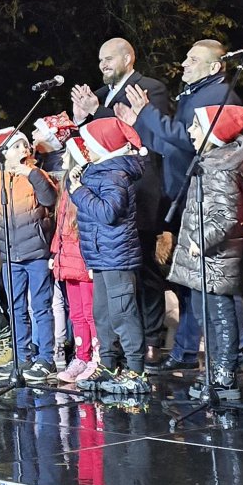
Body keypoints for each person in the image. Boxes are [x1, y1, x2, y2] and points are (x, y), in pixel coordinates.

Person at [118, 38, 243, 368]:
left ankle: (230, 356)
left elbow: (190, 141)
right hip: (180, 194)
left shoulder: (218, 96)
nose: (184, 64)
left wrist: (147, 113)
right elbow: (171, 143)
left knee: (214, 281)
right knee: (188, 280)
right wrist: (140, 123)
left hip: (202, 194)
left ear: (215, 67)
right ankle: (187, 351)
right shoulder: (195, 94)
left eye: (192, 59)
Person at [167, 104, 243, 391]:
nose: (191, 131)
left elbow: (226, 216)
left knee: (219, 316)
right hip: (206, 259)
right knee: (207, 314)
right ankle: (217, 368)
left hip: (214, 258)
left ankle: (224, 373)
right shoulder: (211, 162)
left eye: (197, 126)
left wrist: (199, 241)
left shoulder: (221, 168)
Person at [70, 117, 152, 392]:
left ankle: (136, 371)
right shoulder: (99, 171)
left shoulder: (115, 174)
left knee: (122, 312)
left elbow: (108, 212)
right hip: (102, 254)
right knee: (102, 312)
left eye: (90, 144)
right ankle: (107, 365)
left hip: (117, 254)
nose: (86, 149)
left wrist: (79, 192)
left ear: (104, 147)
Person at [0, 131, 60, 382]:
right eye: (16, 146)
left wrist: (31, 174)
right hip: (10, 255)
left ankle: (46, 359)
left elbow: (49, 199)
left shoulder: (37, 175)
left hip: (36, 253)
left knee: (41, 307)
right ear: (3, 153)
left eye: (25, 145)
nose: (24, 149)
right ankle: (21, 358)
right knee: (16, 308)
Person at [52, 136, 98, 385]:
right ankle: (80, 357)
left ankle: (96, 358)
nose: (62, 158)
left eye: (66, 154)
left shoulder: (85, 186)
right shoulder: (65, 188)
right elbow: (60, 227)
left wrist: (91, 262)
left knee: (91, 313)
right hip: (67, 259)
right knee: (77, 314)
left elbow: (89, 228)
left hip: (83, 259)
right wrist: (54, 254)